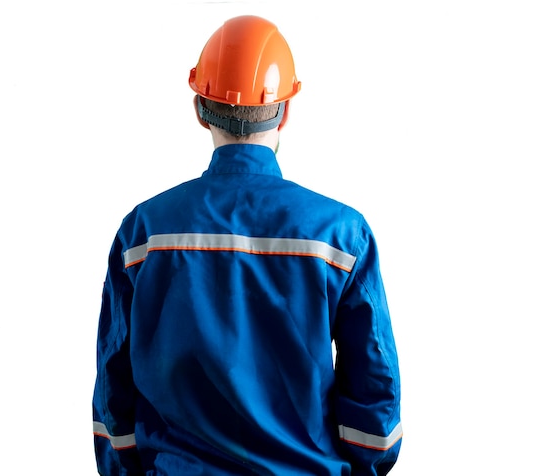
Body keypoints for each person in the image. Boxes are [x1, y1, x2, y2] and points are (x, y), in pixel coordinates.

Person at [92, 15, 402, 476]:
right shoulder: (340, 235)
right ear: (287, 110)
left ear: (199, 108)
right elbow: (375, 388)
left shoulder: (143, 234)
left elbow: (113, 388)